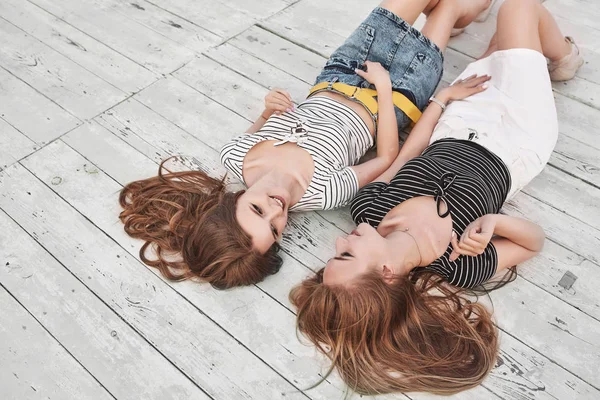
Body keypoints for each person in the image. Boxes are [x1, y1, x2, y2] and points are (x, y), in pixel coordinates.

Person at [290, 0, 583, 395]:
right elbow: (533, 244)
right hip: (518, 139)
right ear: (388, 274)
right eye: (345, 255)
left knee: (501, 46)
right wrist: (497, 223)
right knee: (518, 8)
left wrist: (445, 98)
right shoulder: (457, 266)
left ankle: (517, 42)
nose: (341, 240)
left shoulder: (369, 209)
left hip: (458, 120)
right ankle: (564, 57)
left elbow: (409, 152)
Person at [119, 0, 492, 289]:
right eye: (277, 229)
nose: (277, 211)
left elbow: (257, 128)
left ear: (231, 200)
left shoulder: (234, 156)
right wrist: (382, 87)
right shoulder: (325, 192)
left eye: (258, 210)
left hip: (340, 71)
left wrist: (267, 111)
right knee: (451, 7)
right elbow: (388, 156)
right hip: (396, 96)